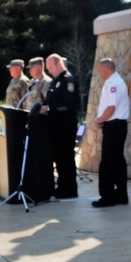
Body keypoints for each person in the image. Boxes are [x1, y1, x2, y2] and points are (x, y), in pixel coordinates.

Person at [91, 58, 130, 208]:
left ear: (106, 69)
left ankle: (106, 197)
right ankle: (121, 194)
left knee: (107, 162)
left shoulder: (114, 83)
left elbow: (111, 108)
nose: (99, 72)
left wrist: (99, 120)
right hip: (116, 126)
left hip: (114, 126)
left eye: (100, 69)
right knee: (117, 161)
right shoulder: (114, 81)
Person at [40, 53, 80, 198]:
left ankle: (70, 189)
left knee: (66, 158)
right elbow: (48, 100)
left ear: (58, 64)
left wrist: (48, 109)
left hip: (65, 126)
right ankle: (62, 186)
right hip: (55, 126)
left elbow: (67, 105)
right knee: (58, 158)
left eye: (51, 67)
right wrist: (42, 108)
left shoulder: (68, 81)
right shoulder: (55, 81)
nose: (49, 71)